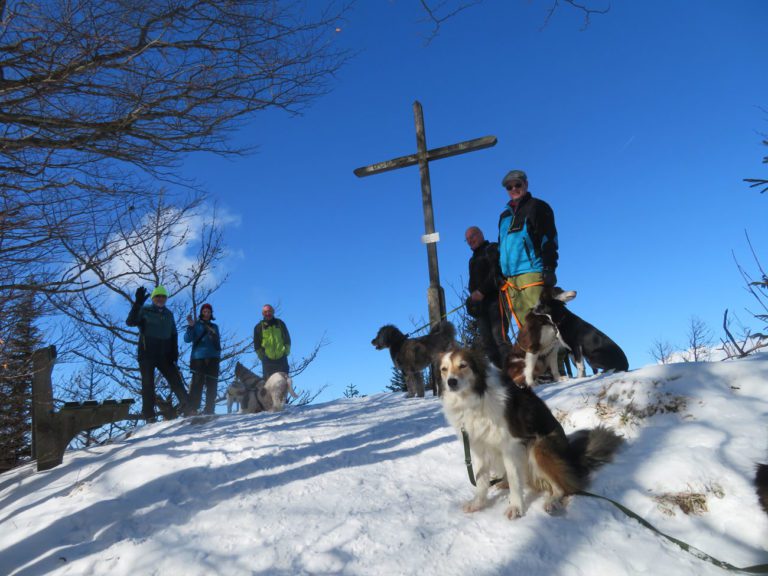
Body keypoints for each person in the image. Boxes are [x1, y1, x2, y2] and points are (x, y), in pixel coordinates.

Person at [497, 169, 559, 330]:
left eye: (517, 184)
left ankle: (559, 356)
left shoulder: (538, 207)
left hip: (532, 275)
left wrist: (549, 267)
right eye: (509, 187)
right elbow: (501, 247)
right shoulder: (504, 217)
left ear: (526, 184)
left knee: (545, 326)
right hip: (511, 281)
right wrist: (500, 273)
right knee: (527, 331)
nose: (514, 189)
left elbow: (549, 238)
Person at [126, 285, 190, 421]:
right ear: (153, 298)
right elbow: (130, 322)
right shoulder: (145, 310)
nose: (160, 299)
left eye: (163, 296)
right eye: (157, 296)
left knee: (176, 381)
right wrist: (137, 303)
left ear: (166, 298)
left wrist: (174, 353)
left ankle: (188, 408)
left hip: (164, 354)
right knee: (148, 384)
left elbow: (174, 334)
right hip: (146, 353)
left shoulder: (169, 314)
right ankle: (149, 415)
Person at [465, 226, 508, 368]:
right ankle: (501, 373)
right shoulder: (472, 260)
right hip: (481, 307)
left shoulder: (492, 248)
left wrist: (482, 291)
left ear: (481, 234)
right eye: (468, 239)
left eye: (473, 236)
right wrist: (471, 301)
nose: (471, 240)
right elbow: (472, 286)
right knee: (487, 343)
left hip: (496, 300)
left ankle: (514, 373)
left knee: (500, 338)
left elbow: (497, 272)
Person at [184, 303, 222, 415]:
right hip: (198, 358)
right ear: (201, 312)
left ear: (211, 314)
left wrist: (217, 353)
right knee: (197, 384)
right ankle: (193, 409)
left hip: (213, 358)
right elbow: (187, 339)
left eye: (208, 312)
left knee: (212, 384)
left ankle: (210, 409)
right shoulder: (196, 325)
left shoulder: (215, 327)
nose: (206, 313)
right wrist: (190, 326)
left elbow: (217, 343)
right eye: (204, 311)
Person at [253, 304, 291, 381]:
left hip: (282, 359)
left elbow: (287, 339)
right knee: (269, 386)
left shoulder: (280, 323)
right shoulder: (258, 327)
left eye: (270, 311)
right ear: (263, 314)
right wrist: (263, 357)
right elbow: (257, 345)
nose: (268, 313)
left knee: (283, 384)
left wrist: (285, 352)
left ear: (273, 312)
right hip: (268, 361)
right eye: (265, 312)